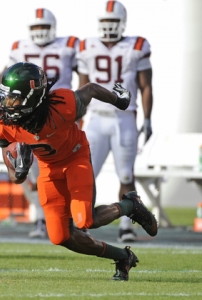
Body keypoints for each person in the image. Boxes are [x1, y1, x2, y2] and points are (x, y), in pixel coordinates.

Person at [0, 62, 158, 281]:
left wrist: (119, 99)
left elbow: (90, 90)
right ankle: (123, 257)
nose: (5, 103)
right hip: (48, 168)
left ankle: (130, 205)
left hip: (75, 157)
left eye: (13, 98)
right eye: (5, 95)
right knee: (60, 236)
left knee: (85, 220)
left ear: (31, 98)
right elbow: (8, 152)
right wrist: (17, 171)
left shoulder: (62, 105)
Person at [77, 0, 154, 242]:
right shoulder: (87, 46)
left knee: (126, 175)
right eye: (105, 21)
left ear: (122, 23)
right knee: (86, 173)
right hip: (97, 119)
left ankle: (126, 226)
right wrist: (78, 120)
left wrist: (148, 118)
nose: (109, 26)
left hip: (124, 119)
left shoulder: (137, 45)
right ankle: (82, 220)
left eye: (113, 21)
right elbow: (82, 88)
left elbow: (145, 86)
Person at [2, 8, 79, 238]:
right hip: (29, 115)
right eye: (36, 27)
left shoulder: (69, 45)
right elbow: (7, 79)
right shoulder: (19, 47)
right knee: (33, 172)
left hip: (58, 115)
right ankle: (41, 218)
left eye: (44, 27)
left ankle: (65, 217)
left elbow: (85, 73)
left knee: (62, 169)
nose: (40, 32)